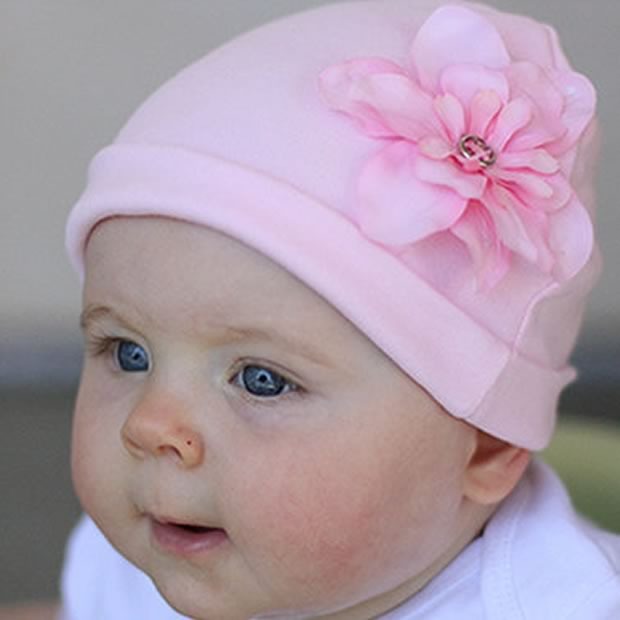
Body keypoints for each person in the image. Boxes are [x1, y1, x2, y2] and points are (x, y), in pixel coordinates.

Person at [19, 0, 620, 618]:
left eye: (262, 380)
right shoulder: (156, 551)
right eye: (129, 352)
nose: (148, 427)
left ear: (486, 445)